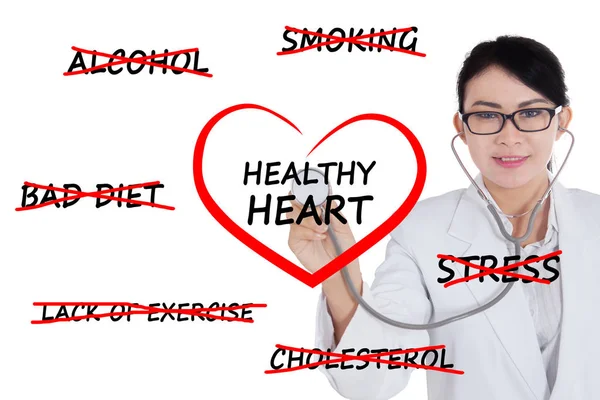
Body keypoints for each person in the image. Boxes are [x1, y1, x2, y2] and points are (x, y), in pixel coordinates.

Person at [286, 35, 600, 400]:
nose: (509, 136)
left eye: (531, 113)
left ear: (561, 122)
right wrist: (339, 275)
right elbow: (369, 381)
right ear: (462, 127)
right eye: (487, 115)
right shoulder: (421, 230)